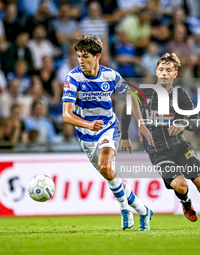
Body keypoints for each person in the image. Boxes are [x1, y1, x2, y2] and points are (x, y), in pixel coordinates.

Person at [120, 53, 200, 229]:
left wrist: (183, 123)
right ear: (156, 72)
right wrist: (125, 137)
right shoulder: (144, 93)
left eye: (168, 70)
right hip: (157, 150)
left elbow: (196, 121)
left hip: (179, 146)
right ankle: (186, 202)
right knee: (180, 186)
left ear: (175, 74)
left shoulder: (180, 95)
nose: (164, 73)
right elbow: (127, 108)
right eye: (161, 69)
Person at [62, 34, 153, 231]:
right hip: (85, 134)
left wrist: (141, 124)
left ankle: (124, 210)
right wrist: (87, 124)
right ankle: (142, 209)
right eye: (79, 56)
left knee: (105, 166)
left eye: (85, 56)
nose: (81, 60)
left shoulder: (111, 76)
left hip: (108, 128)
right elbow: (66, 115)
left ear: (97, 56)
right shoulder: (73, 77)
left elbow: (131, 95)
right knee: (109, 173)